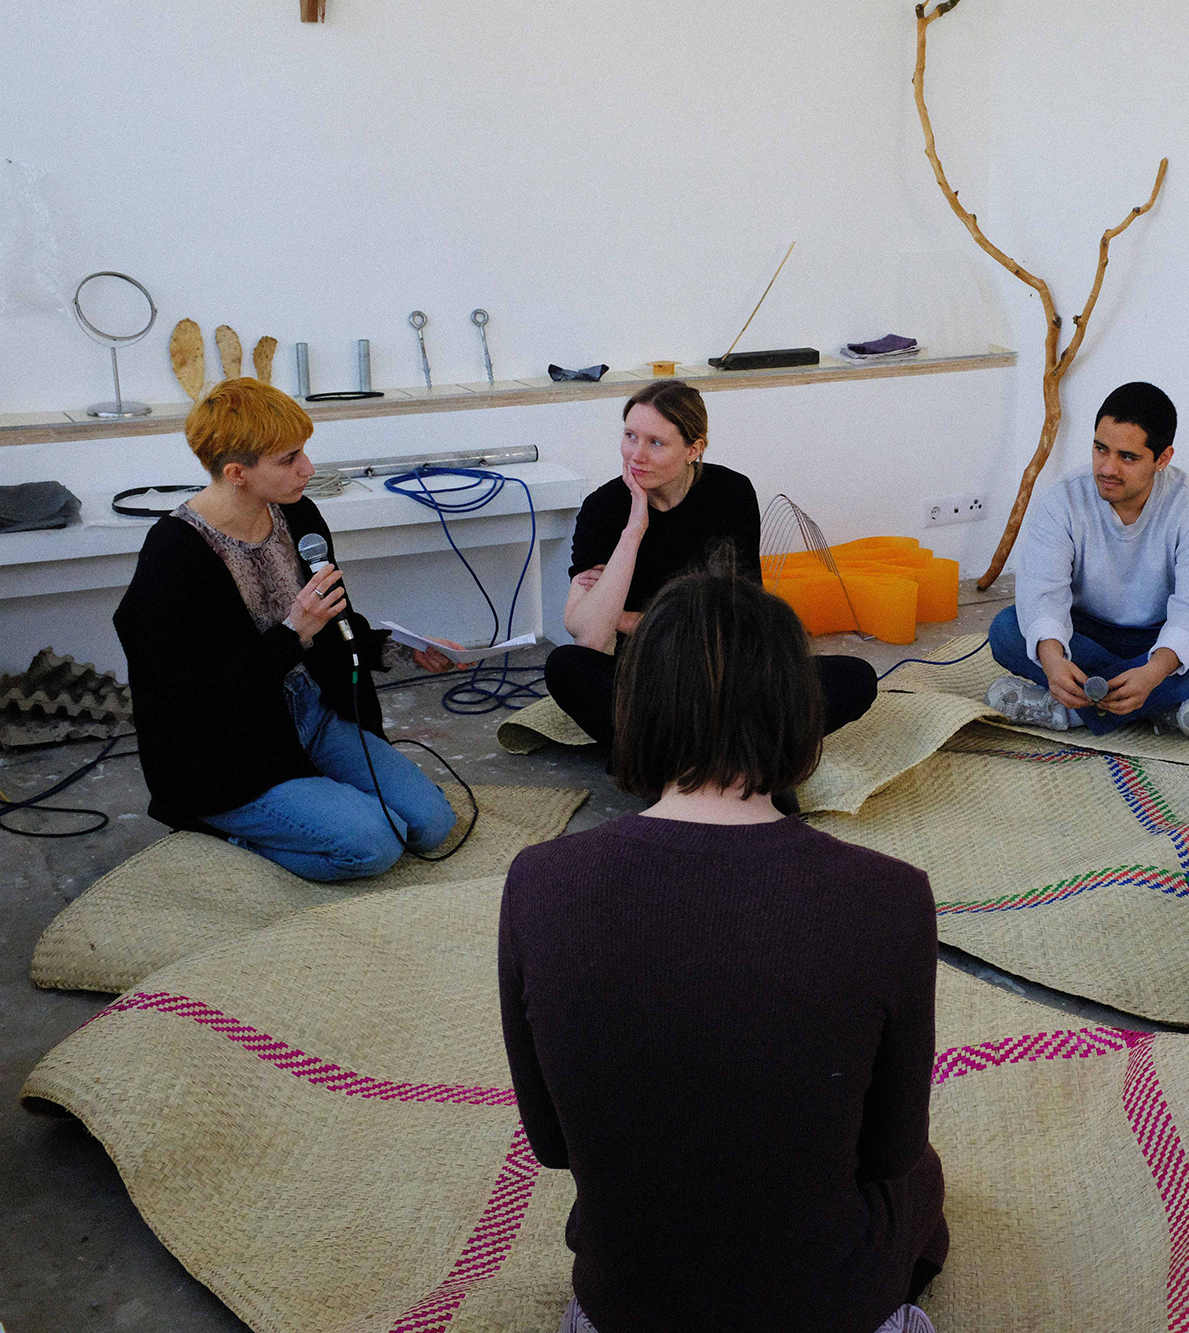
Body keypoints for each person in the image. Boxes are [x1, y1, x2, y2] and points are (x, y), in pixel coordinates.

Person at [499, 570, 948, 1333]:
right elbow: (890, 1150)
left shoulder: (538, 882)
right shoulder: (892, 895)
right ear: (802, 711)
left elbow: (551, 1142)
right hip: (822, 1308)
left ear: (634, 708)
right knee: (921, 1177)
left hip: (624, 1305)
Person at [113, 378, 465, 881]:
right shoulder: (174, 555)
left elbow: (335, 622)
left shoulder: (298, 514)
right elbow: (197, 696)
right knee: (375, 846)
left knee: (431, 824)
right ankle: (222, 831)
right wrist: (292, 635)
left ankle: (312, 799)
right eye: (288, 459)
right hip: (227, 748)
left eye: (303, 451)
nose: (308, 469)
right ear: (236, 473)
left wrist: (402, 649)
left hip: (311, 711)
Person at [542, 379, 876, 746]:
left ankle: (676, 752)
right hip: (649, 676)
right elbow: (589, 636)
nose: (636, 455)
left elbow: (739, 618)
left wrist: (623, 618)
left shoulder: (731, 493)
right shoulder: (603, 508)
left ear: (693, 449)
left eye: (656, 443)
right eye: (630, 436)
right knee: (565, 666)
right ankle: (734, 749)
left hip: (726, 671)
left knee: (854, 676)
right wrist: (634, 530)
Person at [984, 381, 1189, 740]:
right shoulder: (1063, 500)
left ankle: (1070, 711)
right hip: (1083, 632)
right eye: (1100, 449)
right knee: (1007, 630)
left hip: (1159, 637)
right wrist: (1053, 661)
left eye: (1127, 457)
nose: (1107, 468)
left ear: (1162, 459)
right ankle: (1161, 706)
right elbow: (1042, 592)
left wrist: (1153, 672)